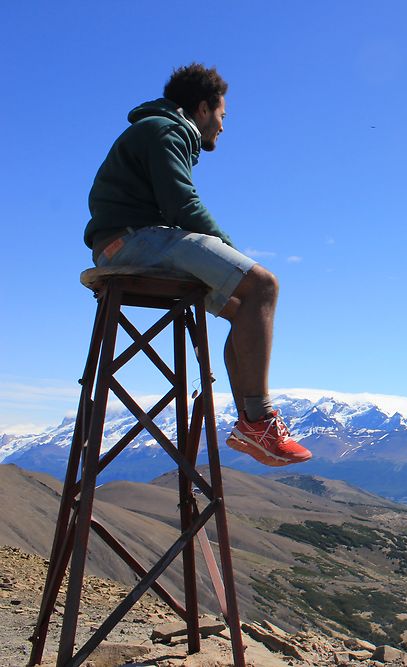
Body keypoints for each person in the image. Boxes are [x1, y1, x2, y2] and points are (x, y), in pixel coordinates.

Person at [84, 63, 312, 467]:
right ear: (203, 109)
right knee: (262, 286)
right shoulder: (165, 131)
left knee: (244, 311)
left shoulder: (156, 131)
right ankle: (258, 420)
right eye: (222, 115)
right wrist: (232, 252)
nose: (223, 127)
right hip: (134, 240)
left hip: (125, 242)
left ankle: (248, 423)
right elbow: (182, 205)